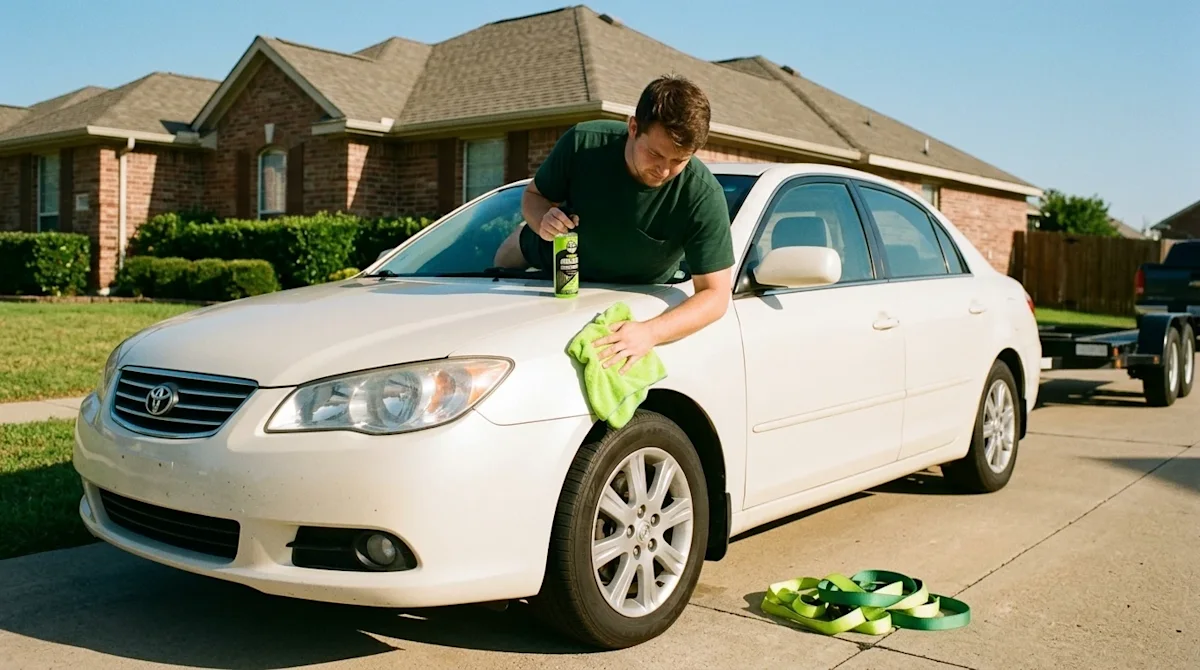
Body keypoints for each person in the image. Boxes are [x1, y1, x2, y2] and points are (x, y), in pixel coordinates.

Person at [493, 75, 735, 375]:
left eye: (679, 160)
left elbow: (715, 296)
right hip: (549, 262)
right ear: (633, 127)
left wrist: (650, 332)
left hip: (630, 288)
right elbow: (534, 195)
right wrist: (542, 218)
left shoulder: (702, 194)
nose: (663, 170)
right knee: (501, 257)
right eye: (655, 154)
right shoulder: (583, 143)